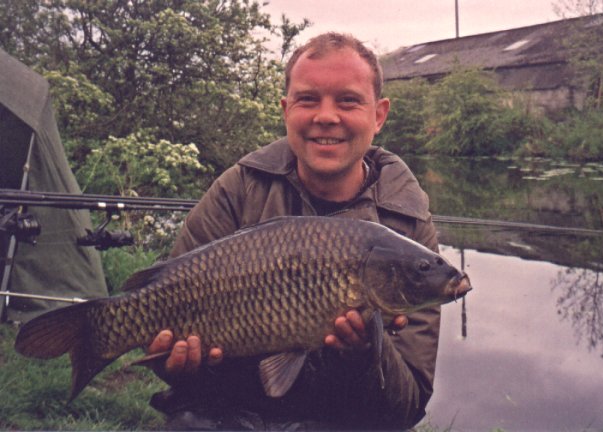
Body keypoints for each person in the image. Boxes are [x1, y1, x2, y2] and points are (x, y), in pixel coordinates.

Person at [147, 32, 441, 430]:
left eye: (348, 101)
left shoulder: (406, 224)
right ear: (286, 110)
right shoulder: (239, 190)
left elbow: (406, 408)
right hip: (238, 405)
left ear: (379, 115)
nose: (326, 116)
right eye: (307, 99)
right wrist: (181, 367)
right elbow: (170, 326)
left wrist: (367, 354)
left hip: (343, 416)